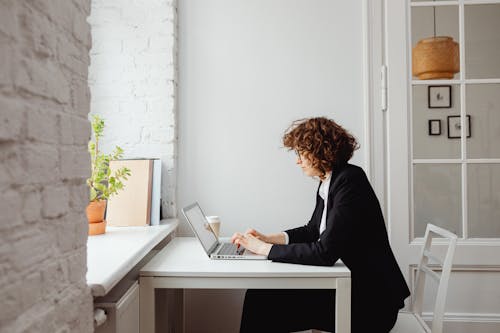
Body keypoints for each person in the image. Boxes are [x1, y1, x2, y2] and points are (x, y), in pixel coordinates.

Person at [231, 117, 410, 333]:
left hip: (370, 303)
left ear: (319, 151)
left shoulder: (350, 181)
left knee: (262, 300)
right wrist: (268, 238)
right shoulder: (330, 181)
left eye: (300, 154)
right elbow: (312, 230)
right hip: (352, 288)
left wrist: (263, 249)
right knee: (260, 295)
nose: (298, 161)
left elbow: (324, 253)